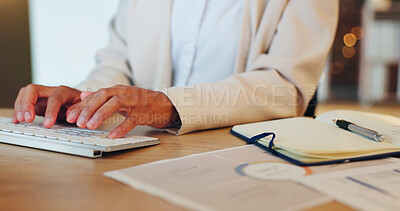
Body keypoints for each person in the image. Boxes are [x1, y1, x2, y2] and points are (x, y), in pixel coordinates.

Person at [12, 0, 339, 138]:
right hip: (141, 156)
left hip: (238, 163)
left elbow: (287, 87)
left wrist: (169, 106)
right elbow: (119, 62)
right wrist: (86, 101)